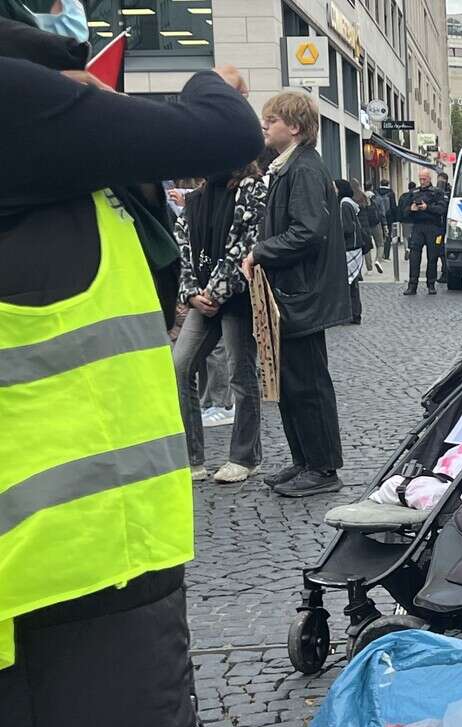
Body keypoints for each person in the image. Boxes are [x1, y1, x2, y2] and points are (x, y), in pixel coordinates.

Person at [0, 11, 262, 727]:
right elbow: (224, 128)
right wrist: (213, 80)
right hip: (62, 579)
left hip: (80, 568)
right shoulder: (19, 106)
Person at [242, 90, 350, 497]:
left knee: (307, 383)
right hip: (292, 291)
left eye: (271, 120)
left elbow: (307, 231)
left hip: (300, 293)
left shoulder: (303, 169)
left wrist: (259, 251)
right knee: (291, 382)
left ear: (295, 127)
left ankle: (322, 469)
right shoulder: (290, 166)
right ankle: (305, 461)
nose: (265, 125)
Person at [173, 162, 266, 483]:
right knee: (181, 366)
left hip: (237, 299)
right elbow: (182, 248)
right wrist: (190, 294)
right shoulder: (196, 198)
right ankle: (191, 458)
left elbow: (247, 246)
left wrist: (214, 292)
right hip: (202, 296)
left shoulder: (253, 190)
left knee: (240, 372)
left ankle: (245, 456)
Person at [404, 167, 446, 296]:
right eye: (420, 179)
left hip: (433, 227)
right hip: (418, 227)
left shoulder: (437, 192)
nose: (422, 181)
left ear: (429, 178)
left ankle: (431, 284)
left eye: (424, 179)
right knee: (414, 257)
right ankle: (412, 285)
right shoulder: (414, 192)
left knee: (432, 257)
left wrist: (427, 208)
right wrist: (411, 209)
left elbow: (442, 209)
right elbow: (404, 212)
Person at [336, 179, 368, 324]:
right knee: (352, 283)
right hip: (354, 247)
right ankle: (354, 314)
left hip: (349, 247)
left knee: (349, 283)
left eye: (334, 187)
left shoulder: (344, 204)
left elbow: (347, 228)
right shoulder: (349, 203)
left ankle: (352, 314)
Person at [375, 178, 397, 260]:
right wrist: (395, 218)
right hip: (389, 217)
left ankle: (379, 255)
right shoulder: (391, 193)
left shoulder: (376, 192)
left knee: (380, 236)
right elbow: (393, 206)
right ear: (388, 184)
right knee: (388, 235)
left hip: (378, 217)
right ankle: (386, 255)